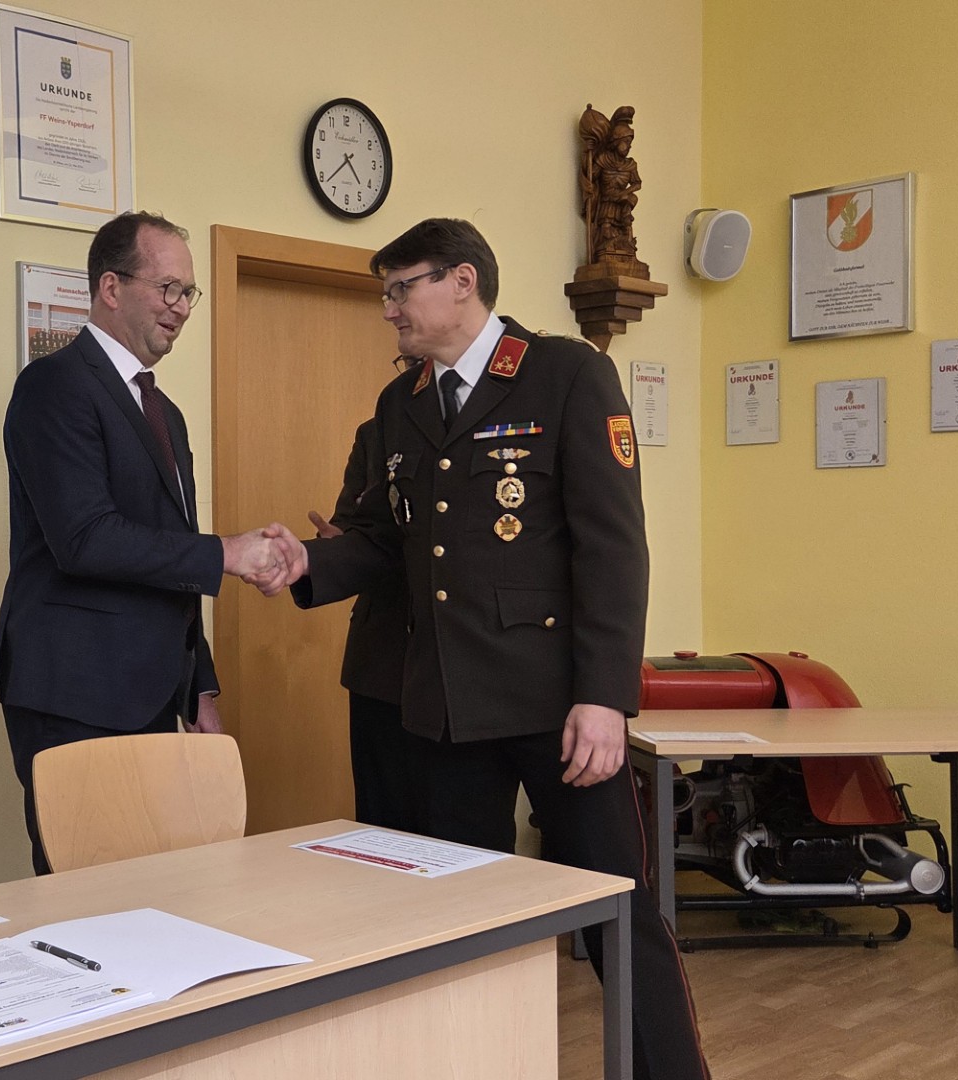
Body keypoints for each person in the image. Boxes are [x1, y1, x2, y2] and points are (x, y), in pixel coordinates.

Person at [266, 218, 709, 1080]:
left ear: (461, 281)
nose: (389, 309)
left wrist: (604, 697)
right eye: (386, 293)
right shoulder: (400, 404)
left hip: (559, 708)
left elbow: (613, 547)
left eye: (402, 289)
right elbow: (382, 540)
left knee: (618, 913)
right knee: (455, 923)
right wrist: (307, 563)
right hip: (446, 709)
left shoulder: (566, 374)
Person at [0, 210, 293, 875]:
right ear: (111, 287)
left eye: (189, 292)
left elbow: (168, 554)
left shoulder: (164, 411)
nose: (181, 307)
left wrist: (200, 686)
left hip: (154, 693)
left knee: (154, 888)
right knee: (87, 896)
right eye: (167, 288)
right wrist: (226, 553)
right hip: (75, 694)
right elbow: (85, 539)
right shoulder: (54, 385)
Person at [308, 398, 426, 833]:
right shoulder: (376, 431)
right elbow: (354, 527)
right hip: (382, 658)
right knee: (381, 828)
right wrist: (335, 548)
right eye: (407, 367)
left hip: (466, 661)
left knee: (460, 837)